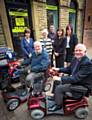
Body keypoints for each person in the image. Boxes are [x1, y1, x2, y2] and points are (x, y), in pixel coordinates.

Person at [49, 43, 92, 111]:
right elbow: (69, 69)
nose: (77, 52)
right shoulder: (75, 58)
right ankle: (56, 97)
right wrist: (58, 69)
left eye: (80, 50)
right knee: (56, 81)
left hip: (82, 85)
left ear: (85, 52)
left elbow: (76, 79)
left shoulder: (87, 63)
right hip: (76, 80)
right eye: (76, 50)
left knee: (59, 88)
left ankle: (58, 105)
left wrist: (60, 78)